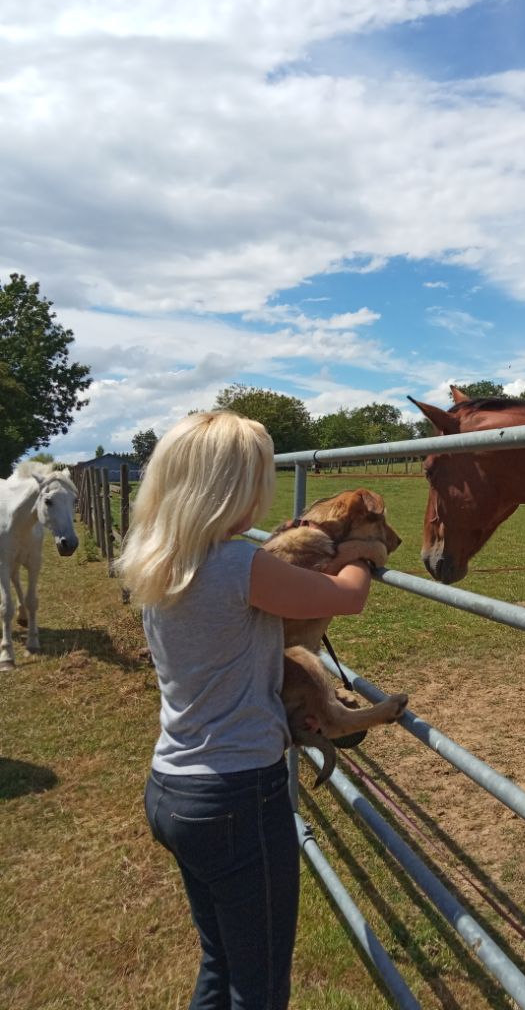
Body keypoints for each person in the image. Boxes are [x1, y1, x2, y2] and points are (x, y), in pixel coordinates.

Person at [117, 410, 374, 1010]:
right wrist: (362, 549)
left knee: (221, 962)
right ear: (235, 487)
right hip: (236, 798)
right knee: (258, 989)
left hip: (174, 786)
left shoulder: (159, 558)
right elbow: (348, 596)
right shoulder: (238, 565)